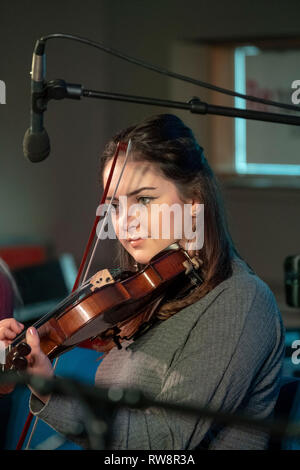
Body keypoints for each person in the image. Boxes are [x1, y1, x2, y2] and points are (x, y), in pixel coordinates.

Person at [0, 114, 285, 450]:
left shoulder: (241, 299)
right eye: (115, 206)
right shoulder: (147, 299)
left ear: (194, 203)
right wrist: (24, 353)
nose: (125, 222)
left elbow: (164, 442)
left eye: (145, 200)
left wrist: (50, 388)